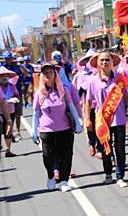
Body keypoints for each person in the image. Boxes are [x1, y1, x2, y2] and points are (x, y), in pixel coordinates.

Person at [31, 62, 82, 192]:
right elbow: (36, 113)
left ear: (55, 74)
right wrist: (34, 131)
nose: (48, 75)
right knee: (48, 156)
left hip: (65, 129)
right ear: (42, 76)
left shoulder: (63, 90)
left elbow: (71, 107)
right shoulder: (38, 93)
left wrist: (78, 122)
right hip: (46, 130)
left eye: (50, 72)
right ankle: (50, 176)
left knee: (66, 155)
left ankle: (64, 180)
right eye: (45, 73)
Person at [85, 51, 128, 188]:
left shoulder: (120, 79)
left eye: (107, 60)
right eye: (102, 60)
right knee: (106, 148)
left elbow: (126, 97)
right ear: (98, 64)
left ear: (112, 62)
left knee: (120, 148)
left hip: (118, 119)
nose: (105, 62)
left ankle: (120, 176)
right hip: (103, 120)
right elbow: (88, 102)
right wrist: (87, 118)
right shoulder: (93, 81)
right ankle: (108, 173)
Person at [72, 49, 100, 157]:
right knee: (90, 126)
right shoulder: (81, 75)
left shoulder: (100, 73)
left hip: (99, 105)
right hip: (88, 105)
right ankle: (91, 143)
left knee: (99, 126)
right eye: (89, 60)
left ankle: (99, 148)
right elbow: (78, 90)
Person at [2, 51, 24, 142]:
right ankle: (9, 134)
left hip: (16, 93)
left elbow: (24, 75)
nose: (8, 60)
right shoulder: (2, 68)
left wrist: (20, 66)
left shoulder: (17, 67)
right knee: (6, 116)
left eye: (9, 58)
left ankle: (17, 131)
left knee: (17, 114)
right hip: (4, 96)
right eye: (6, 59)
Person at [0, 67, 19, 157]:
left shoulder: (12, 86)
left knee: (8, 131)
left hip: (11, 111)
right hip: (0, 112)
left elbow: (17, 95)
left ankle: (8, 150)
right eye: (2, 76)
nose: (4, 77)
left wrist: (15, 99)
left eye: (5, 75)